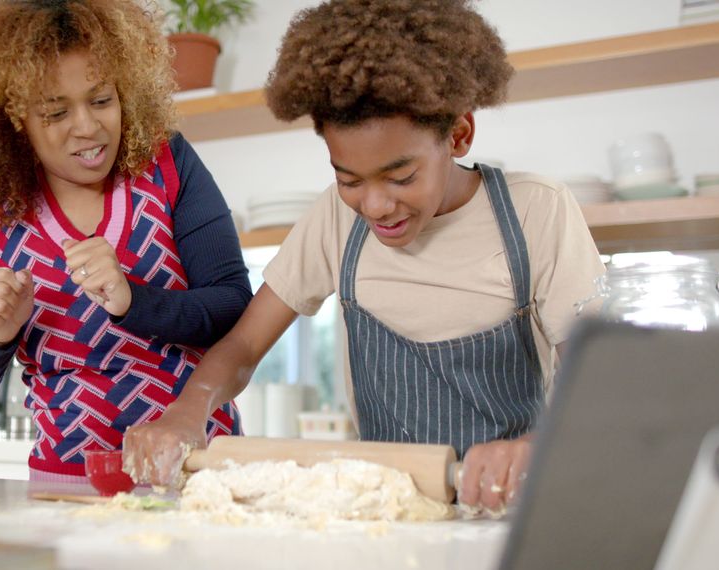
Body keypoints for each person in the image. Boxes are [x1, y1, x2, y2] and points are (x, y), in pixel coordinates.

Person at [124, 0, 605, 510]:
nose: (375, 206)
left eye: (401, 177)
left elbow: (598, 379)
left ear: (459, 135)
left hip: (515, 509)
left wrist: (536, 446)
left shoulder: (536, 211)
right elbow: (243, 346)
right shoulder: (336, 218)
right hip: (388, 513)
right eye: (348, 178)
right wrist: (188, 409)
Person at [0, 0, 252, 481]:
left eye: (101, 100)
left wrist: (134, 301)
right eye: (56, 112)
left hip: (199, 469)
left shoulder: (168, 166)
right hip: (65, 482)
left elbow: (233, 307)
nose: (88, 126)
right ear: (13, 125)